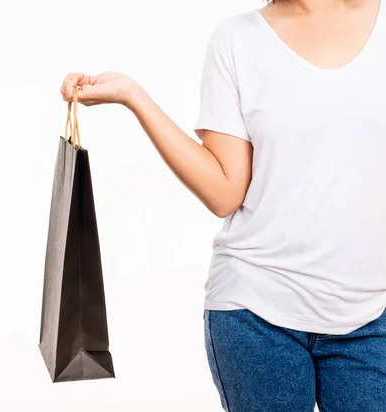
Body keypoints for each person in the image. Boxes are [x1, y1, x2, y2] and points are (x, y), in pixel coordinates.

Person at [59, 0, 386, 410]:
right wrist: (132, 95)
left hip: (372, 315)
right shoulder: (237, 40)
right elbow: (226, 192)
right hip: (256, 311)